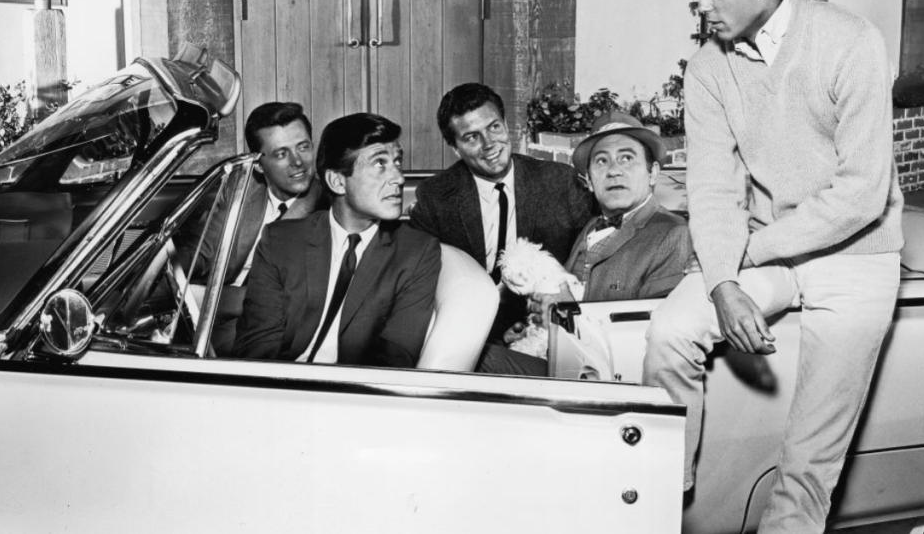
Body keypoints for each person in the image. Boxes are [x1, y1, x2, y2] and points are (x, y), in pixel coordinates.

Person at [643, 0, 903, 533]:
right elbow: (712, 190)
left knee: (809, 461)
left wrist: (746, 259)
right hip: (769, 248)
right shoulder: (708, 66)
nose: (701, 7)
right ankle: (658, 501)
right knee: (671, 331)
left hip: (858, 255)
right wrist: (721, 282)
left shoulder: (851, 41)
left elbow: (862, 194)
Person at [232, 113, 441, 368]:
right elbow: (256, 348)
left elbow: (394, 360)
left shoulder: (417, 252)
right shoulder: (279, 241)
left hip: (353, 389)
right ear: (337, 181)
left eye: (397, 161)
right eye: (379, 164)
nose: (398, 177)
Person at [410, 83, 594, 340]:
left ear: (506, 125)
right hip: (473, 332)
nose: (489, 144)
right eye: (472, 137)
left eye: (494, 127)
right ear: (455, 148)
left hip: (548, 328)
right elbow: (423, 286)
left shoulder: (560, 181)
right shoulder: (435, 197)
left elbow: (592, 255)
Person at [505, 112, 691, 342]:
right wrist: (531, 328)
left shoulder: (675, 234)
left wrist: (567, 317)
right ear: (590, 181)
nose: (613, 171)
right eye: (602, 161)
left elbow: (662, 338)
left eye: (626, 158)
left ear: (652, 173)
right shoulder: (590, 227)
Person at [183, 102, 327, 286]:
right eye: (281, 154)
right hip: (214, 294)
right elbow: (203, 252)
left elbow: (288, 292)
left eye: (303, 147)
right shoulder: (240, 186)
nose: (297, 161)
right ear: (258, 164)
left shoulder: (325, 204)